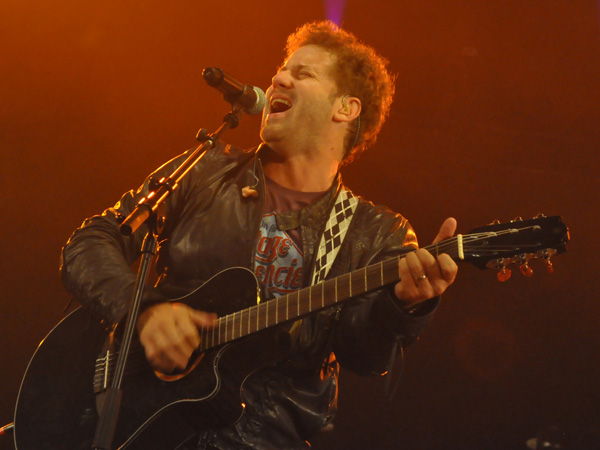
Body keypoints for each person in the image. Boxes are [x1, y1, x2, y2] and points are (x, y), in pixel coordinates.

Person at [61, 21, 458, 450]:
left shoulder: (376, 231)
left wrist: (404, 307)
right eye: (280, 72)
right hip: (139, 425)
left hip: (264, 438)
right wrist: (144, 312)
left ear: (345, 108)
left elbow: (364, 355)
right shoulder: (206, 171)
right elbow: (91, 242)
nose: (278, 79)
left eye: (303, 74)